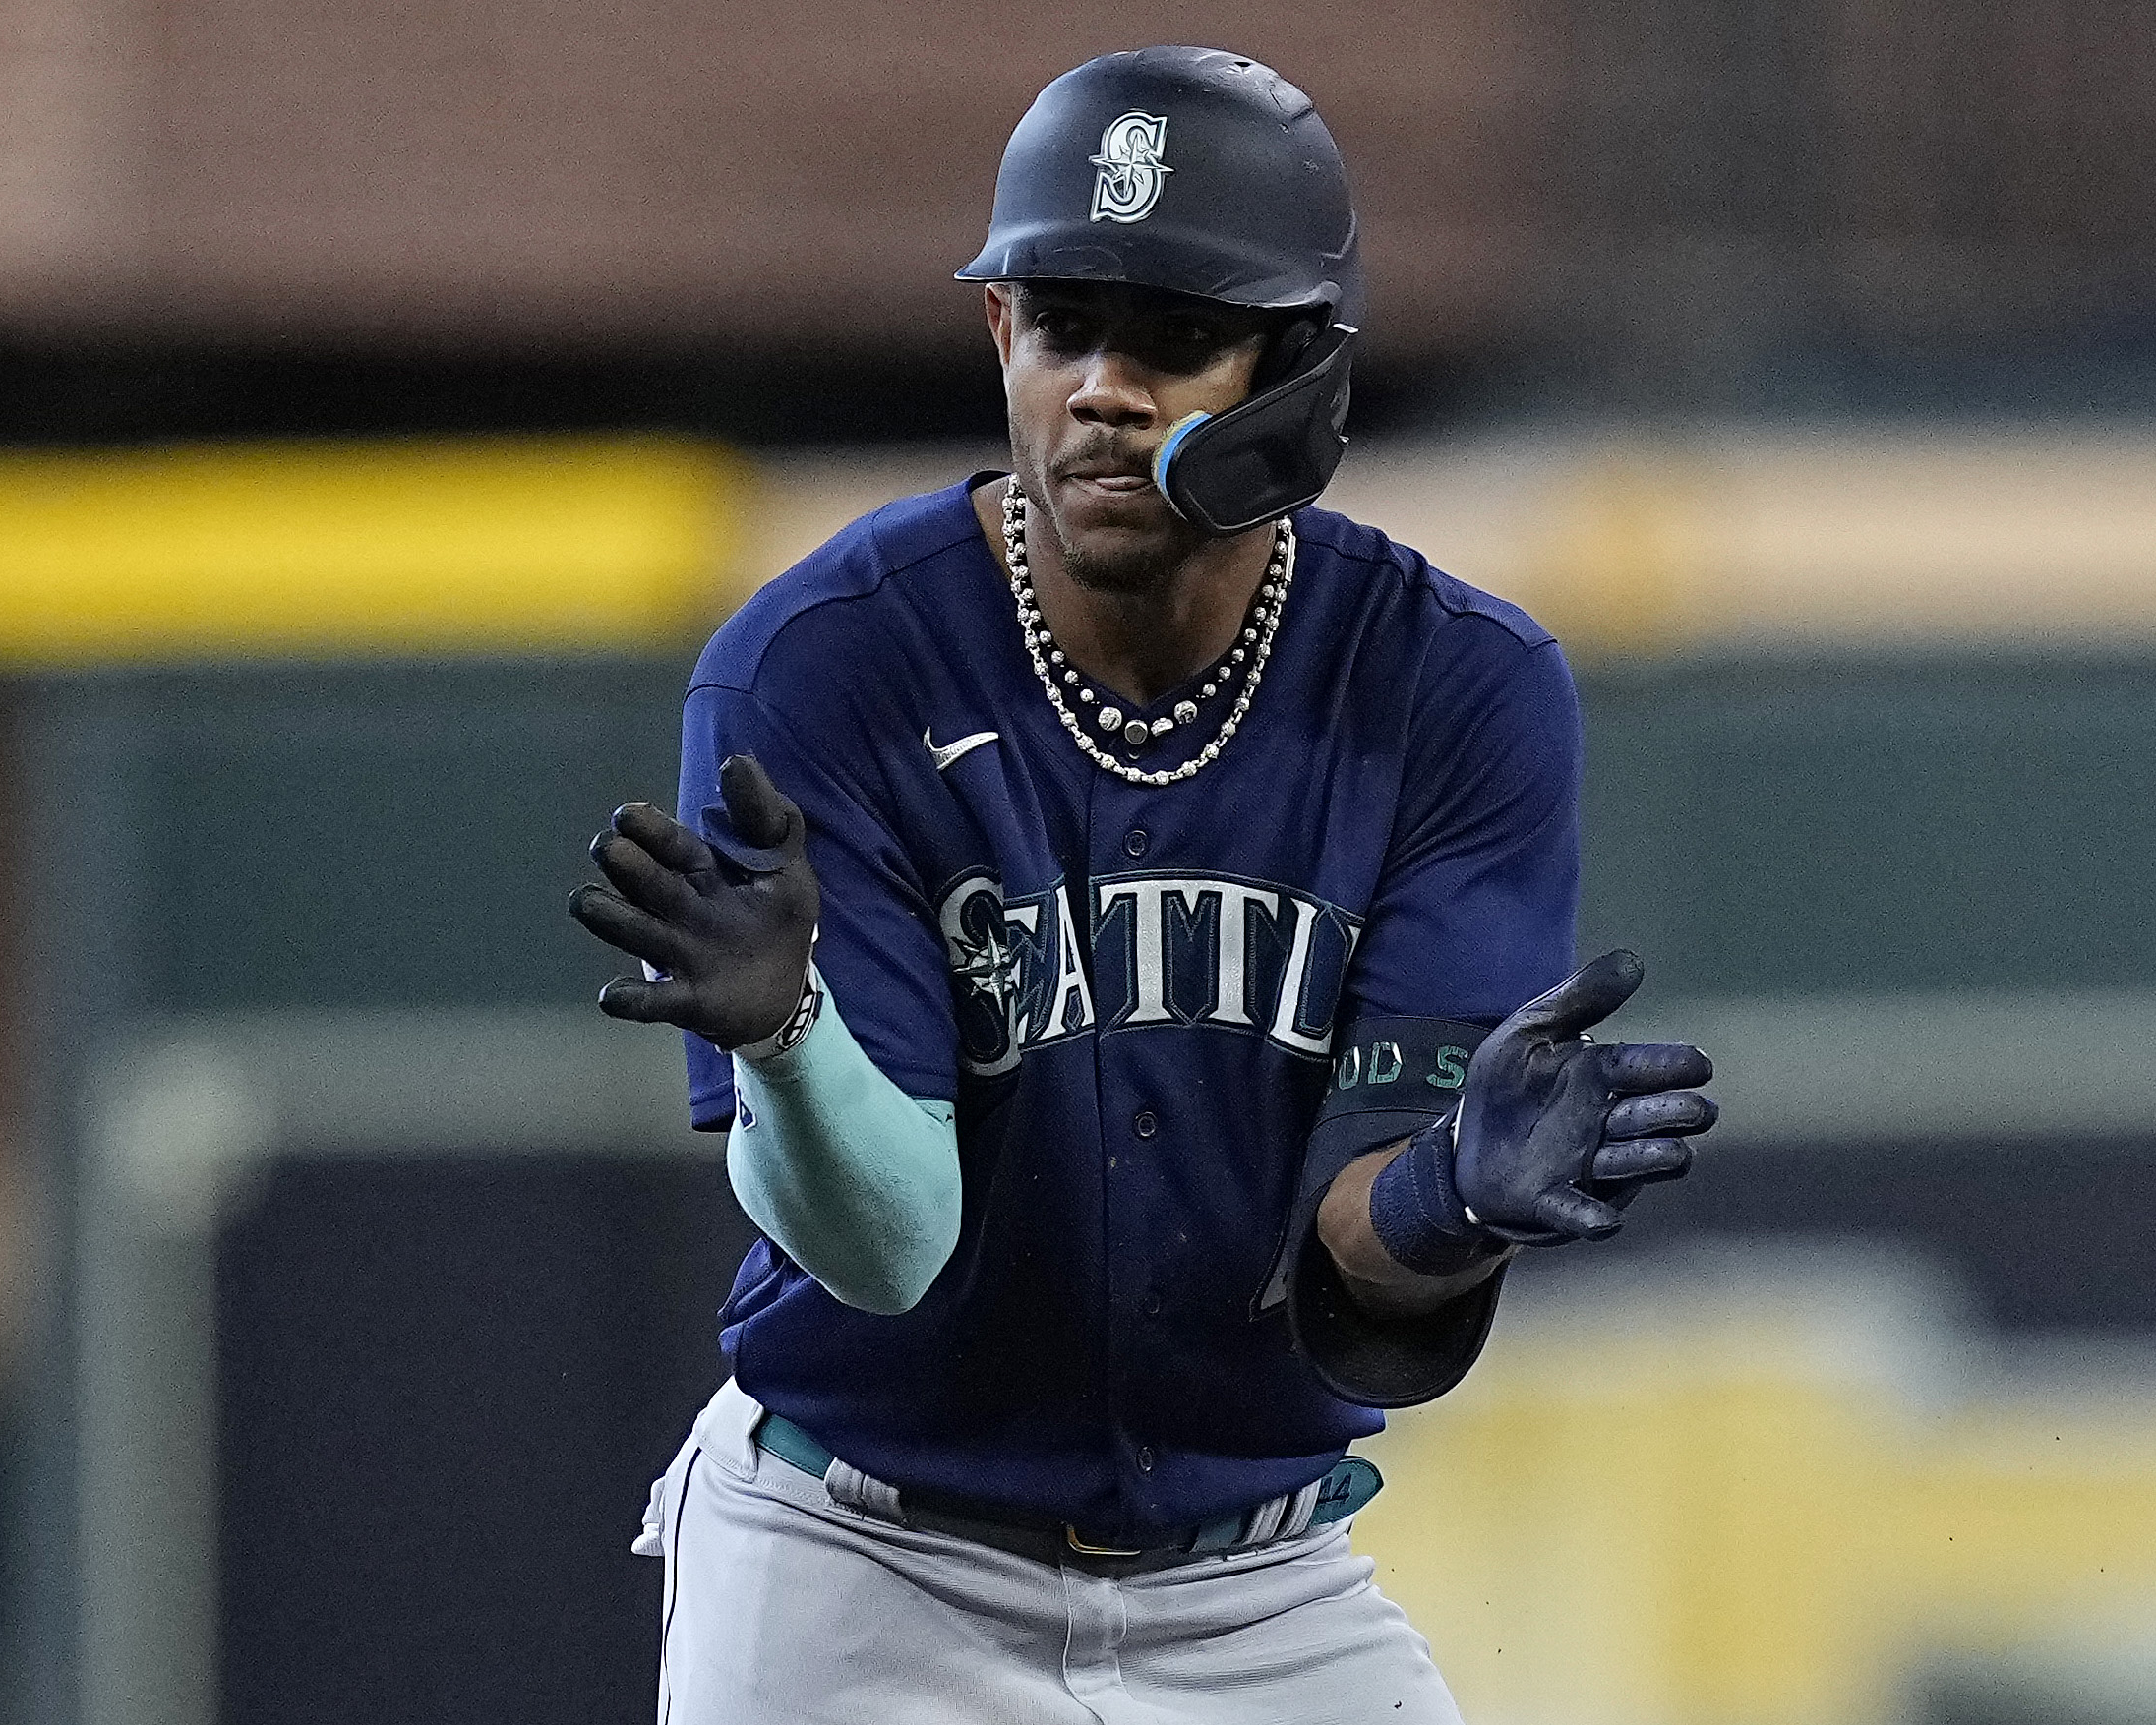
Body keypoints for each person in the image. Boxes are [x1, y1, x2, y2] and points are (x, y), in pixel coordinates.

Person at [568, 45, 1717, 1724]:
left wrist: (1450, 1197)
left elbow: (1356, 1252)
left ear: (1297, 378)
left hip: (1254, 1589)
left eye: (1175, 338)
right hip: (861, 1558)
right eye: (1060, 325)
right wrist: (793, 1040)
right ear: (998, 338)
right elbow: (887, 1249)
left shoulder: (1452, 684)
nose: (1103, 385)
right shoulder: (823, 667)